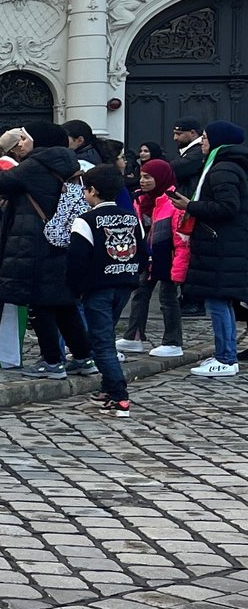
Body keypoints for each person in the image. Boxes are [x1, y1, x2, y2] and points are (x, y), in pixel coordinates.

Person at [0, 123, 91, 378]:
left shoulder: (35, 165)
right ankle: (84, 357)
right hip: (63, 240)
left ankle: (52, 361)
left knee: (40, 304)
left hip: (37, 244)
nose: (23, 142)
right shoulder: (70, 162)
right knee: (64, 304)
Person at [68, 166, 145, 416]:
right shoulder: (131, 216)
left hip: (96, 287)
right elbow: (142, 252)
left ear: (92, 191)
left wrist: (75, 288)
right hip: (124, 284)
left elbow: (77, 259)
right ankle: (106, 390)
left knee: (101, 344)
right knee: (106, 334)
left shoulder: (85, 220)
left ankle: (119, 395)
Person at [182, 120, 247, 379]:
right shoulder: (230, 165)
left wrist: (190, 206)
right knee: (222, 301)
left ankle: (225, 357)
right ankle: (225, 353)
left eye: (206, 138)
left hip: (221, 244)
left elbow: (227, 207)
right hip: (223, 244)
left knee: (218, 302)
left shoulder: (223, 169)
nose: (202, 143)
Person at [122, 158, 183, 359]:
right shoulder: (139, 199)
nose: (143, 181)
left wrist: (179, 266)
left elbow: (180, 238)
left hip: (167, 256)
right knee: (139, 294)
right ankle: (134, 336)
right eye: (141, 176)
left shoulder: (174, 202)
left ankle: (173, 341)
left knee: (168, 298)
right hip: (145, 256)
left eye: (148, 177)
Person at [172, 118, 207, 187]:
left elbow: (178, 168)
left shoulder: (200, 151)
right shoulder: (190, 150)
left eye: (178, 134)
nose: (175, 138)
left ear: (193, 133)